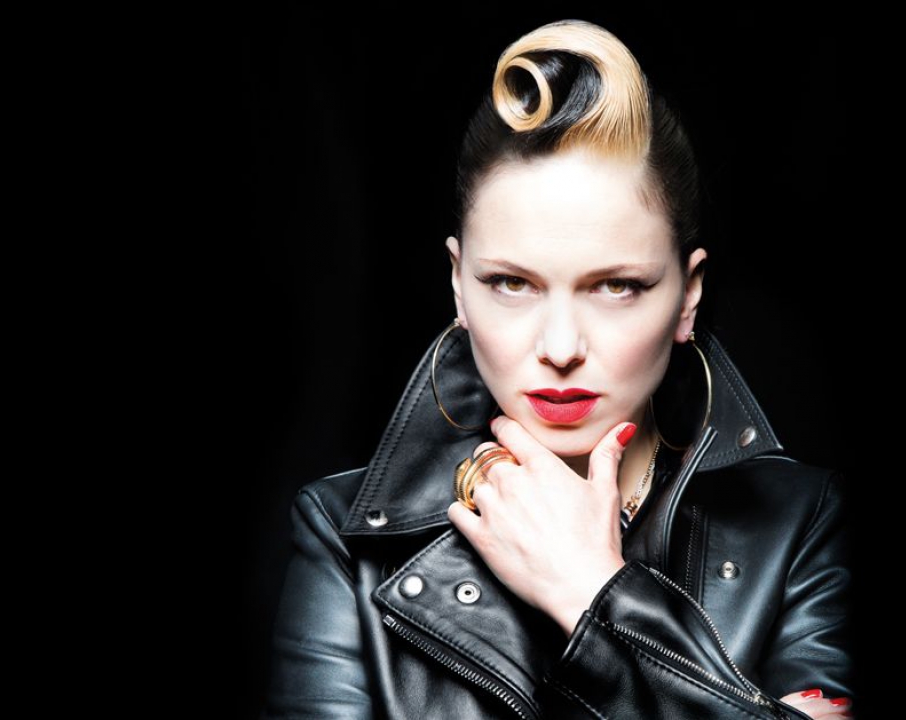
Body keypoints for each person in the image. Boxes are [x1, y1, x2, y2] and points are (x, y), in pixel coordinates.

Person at [264, 19, 853, 719]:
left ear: (688, 296)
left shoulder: (800, 524)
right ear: (459, 286)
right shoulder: (344, 542)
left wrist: (592, 591)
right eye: (512, 283)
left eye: (617, 286)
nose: (562, 345)